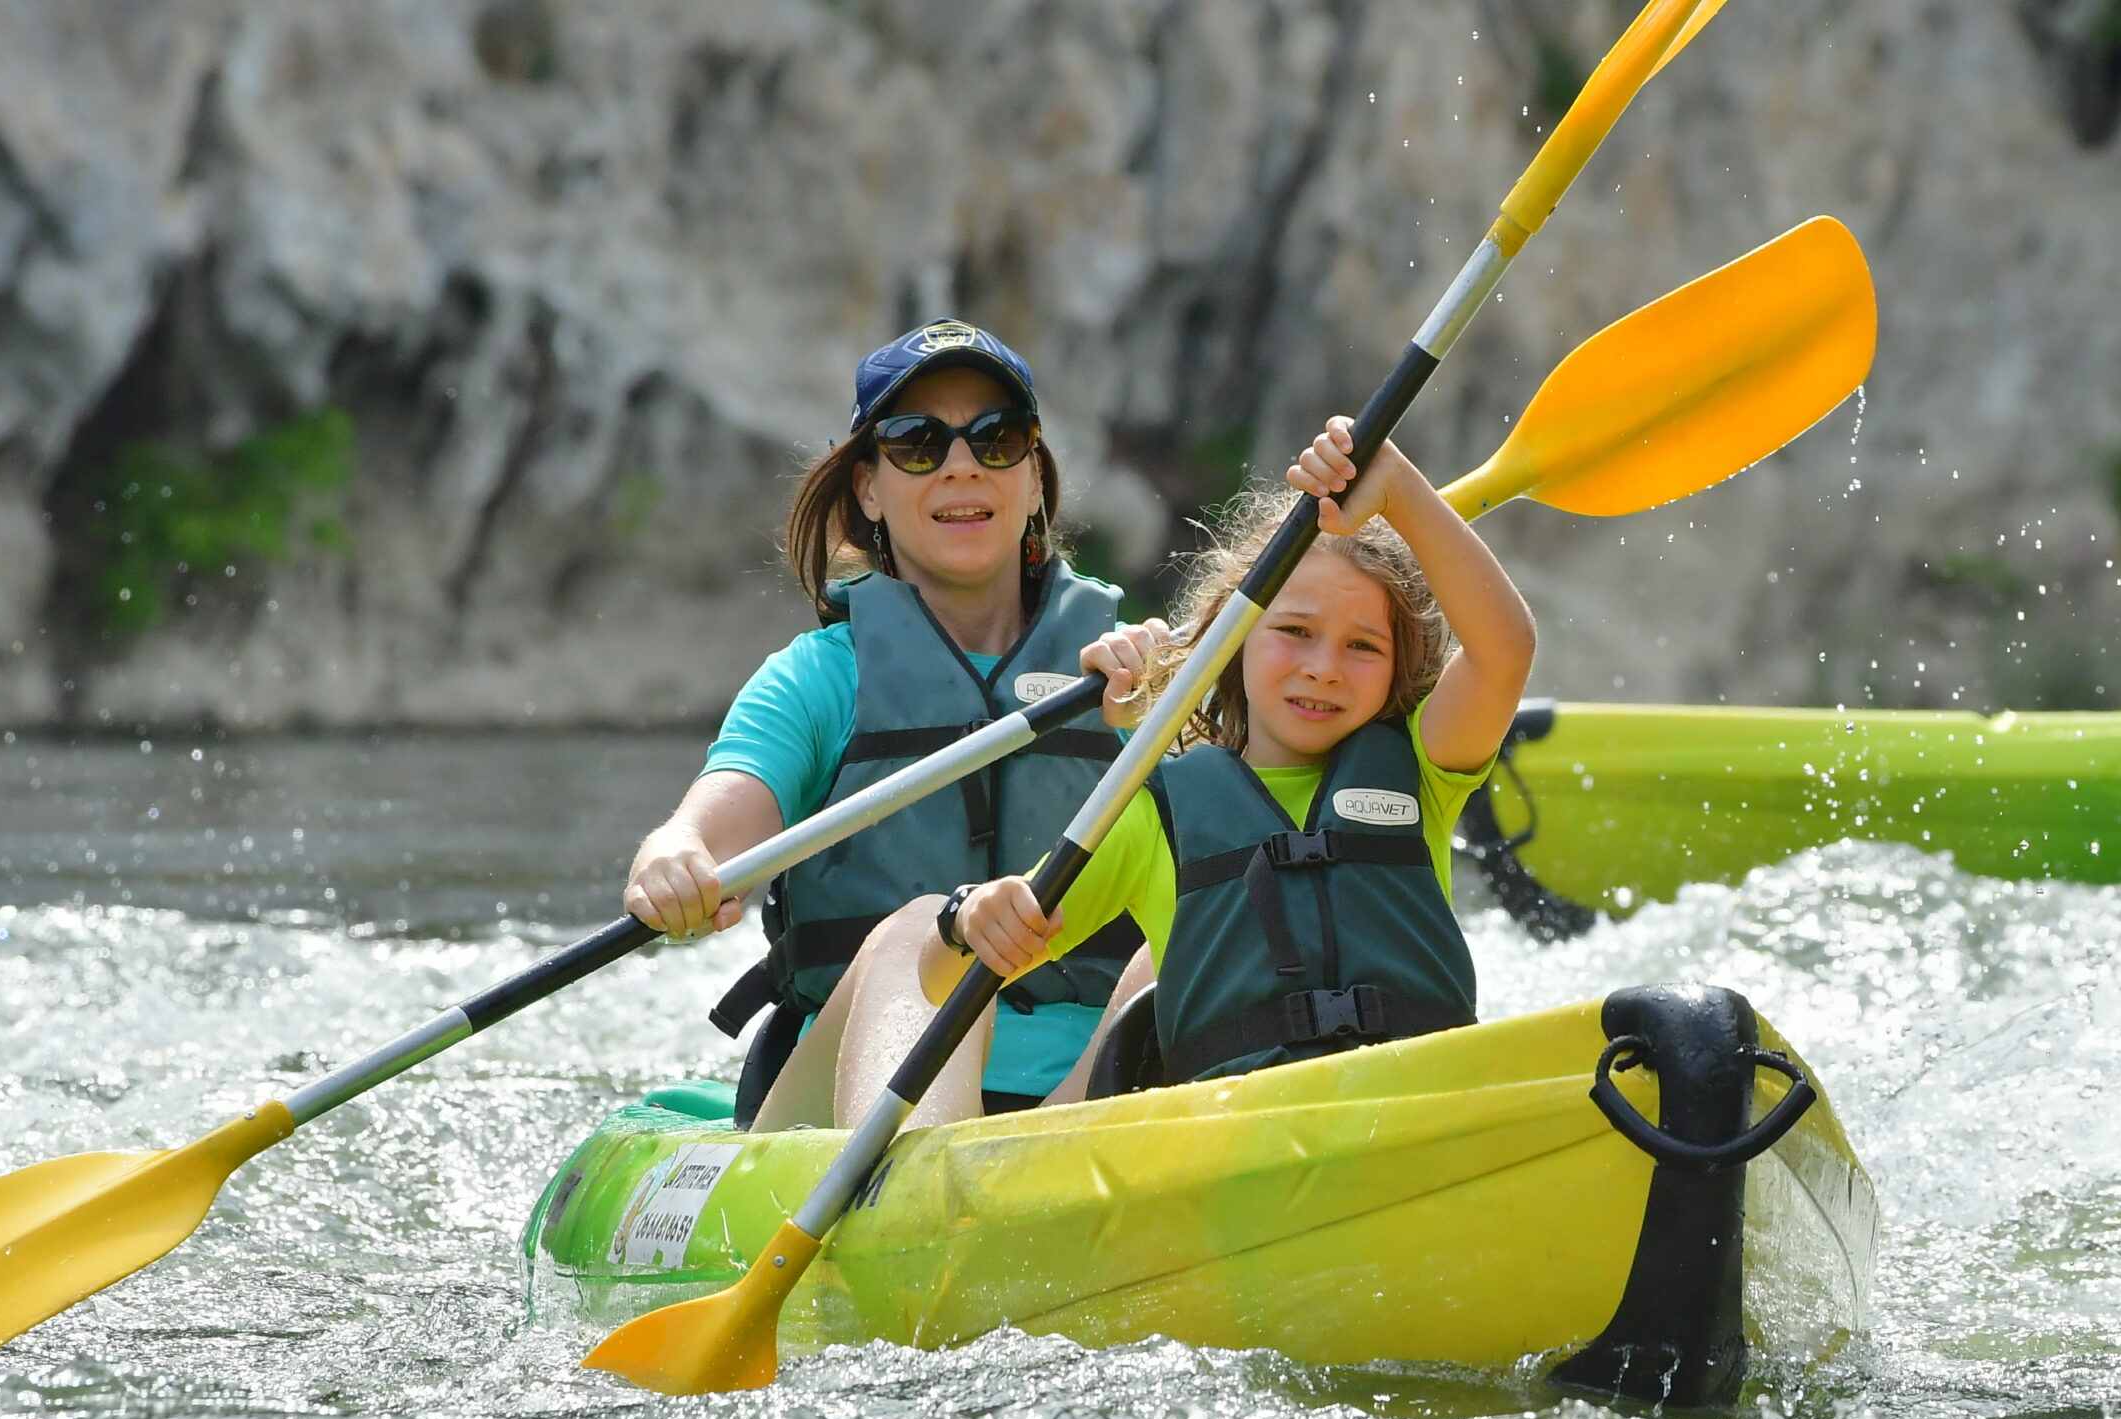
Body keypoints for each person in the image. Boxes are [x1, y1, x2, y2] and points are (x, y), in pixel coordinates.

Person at [815, 413, 1536, 1127]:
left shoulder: (1424, 767)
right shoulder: (1154, 812)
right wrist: (970, 919)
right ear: (1234, 639)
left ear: (1396, 671)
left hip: (1412, 1124)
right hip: (1230, 1157)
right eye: (1294, 631)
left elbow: (1505, 649)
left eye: (1363, 647)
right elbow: (950, 978)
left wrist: (1400, 491)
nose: (1324, 669)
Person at [621, 319, 1149, 1126]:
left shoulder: (1130, 673)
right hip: (848, 1107)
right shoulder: (821, 678)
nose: (962, 465)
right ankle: (915, 1198)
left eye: (997, 439)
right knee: (917, 933)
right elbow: (712, 824)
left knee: (1171, 964)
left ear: (1035, 479)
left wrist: (1161, 722)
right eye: (917, 443)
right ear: (869, 487)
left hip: (1081, 1101)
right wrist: (675, 860)